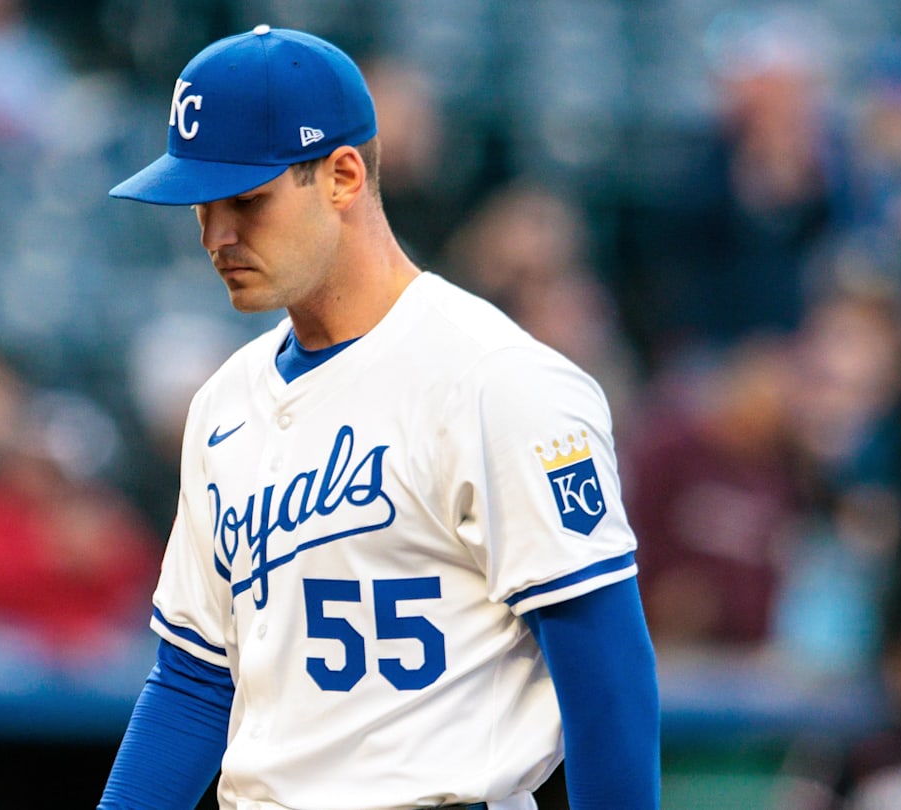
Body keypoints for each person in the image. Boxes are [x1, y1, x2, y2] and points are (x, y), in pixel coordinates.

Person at [98, 26, 659, 810]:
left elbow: (608, 679)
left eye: (245, 201)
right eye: (201, 203)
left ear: (342, 175)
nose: (216, 235)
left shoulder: (496, 380)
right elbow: (195, 680)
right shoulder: (223, 404)